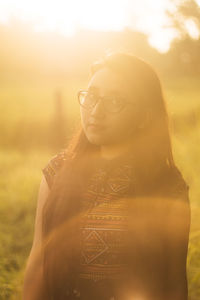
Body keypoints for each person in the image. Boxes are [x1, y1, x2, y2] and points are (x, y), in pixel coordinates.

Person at [23, 52, 191, 300]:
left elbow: (174, 279)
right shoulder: (56, 173)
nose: (96, 111)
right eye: (92, 97)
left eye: (115, 101)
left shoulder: (167, 186)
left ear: (144, 116)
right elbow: (38, 261)